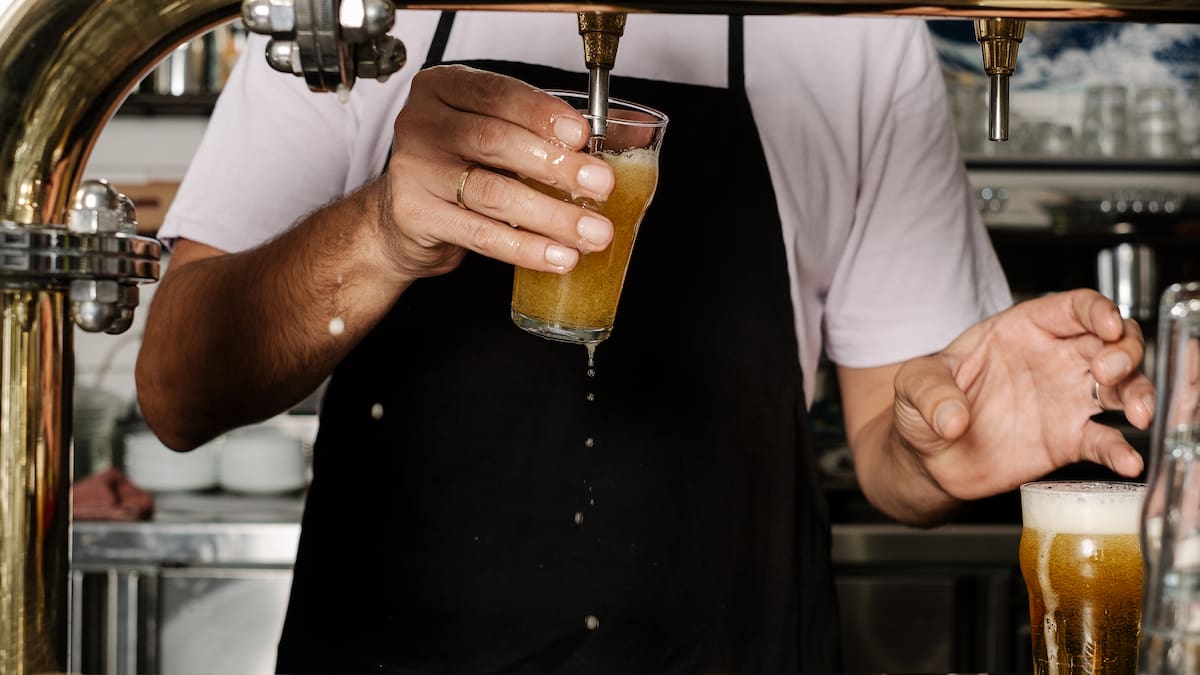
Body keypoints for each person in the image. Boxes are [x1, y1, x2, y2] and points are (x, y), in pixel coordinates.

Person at [134, 10, 1153, 674]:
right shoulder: (357, 18)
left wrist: (944, 445)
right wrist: (382, 232)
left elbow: (896, 442)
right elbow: (180, 386)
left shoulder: (855, 30)